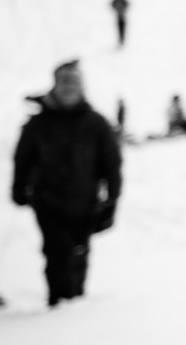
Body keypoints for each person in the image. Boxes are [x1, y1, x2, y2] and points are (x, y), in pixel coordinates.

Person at [11, 60, 122, 307]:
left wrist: (112, 199)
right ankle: (58, 301)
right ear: (56, 87)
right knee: (57, 251)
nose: (68, 89)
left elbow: (112, 164)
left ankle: (74, 302)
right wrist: (19, 187)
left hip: (84, 202)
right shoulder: (39, 123)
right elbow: (23, 158)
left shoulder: (96, 123)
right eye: (64, 84)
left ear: (82, 88)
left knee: (79, 252)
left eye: (74, 84)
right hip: (47, 201)